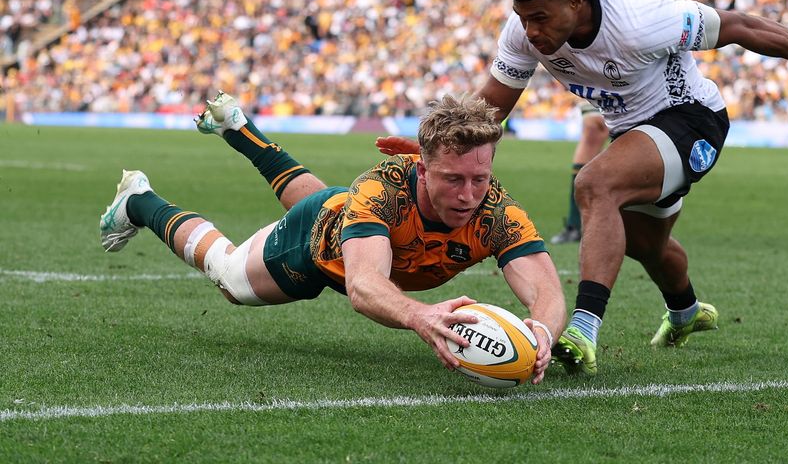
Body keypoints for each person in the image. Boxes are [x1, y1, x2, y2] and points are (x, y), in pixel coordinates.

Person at [378, 0, 788, 376]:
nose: (530, 30)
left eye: (540, 18)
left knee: (594, 184)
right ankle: (686, 311)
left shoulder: (639, 18)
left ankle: (583, 332)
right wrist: (438, 148)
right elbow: (494, 103)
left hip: (692, 119)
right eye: (523, 18)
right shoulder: (524, 32)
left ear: (577, 2)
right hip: (635, 134)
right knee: (645, 246)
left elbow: (737, 25)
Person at [99, 92, 566, 383]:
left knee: (330, 200)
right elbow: (364, 287)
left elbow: (546, 288)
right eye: (452, 180)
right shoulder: (381, 191)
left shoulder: (497, 212)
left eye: (479, 179)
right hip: (313, 249)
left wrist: (541, 330)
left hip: (347, 216)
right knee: (229, 281)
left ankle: (238, 128)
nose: (468, 195)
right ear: (422, 170)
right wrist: (421, 316)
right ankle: (139, 201)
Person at [551, 0, 705, 245]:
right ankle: (575, 224)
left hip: (652, 52)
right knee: (593, 128)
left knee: (648, 134)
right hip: (600, 49)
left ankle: (647, 222)